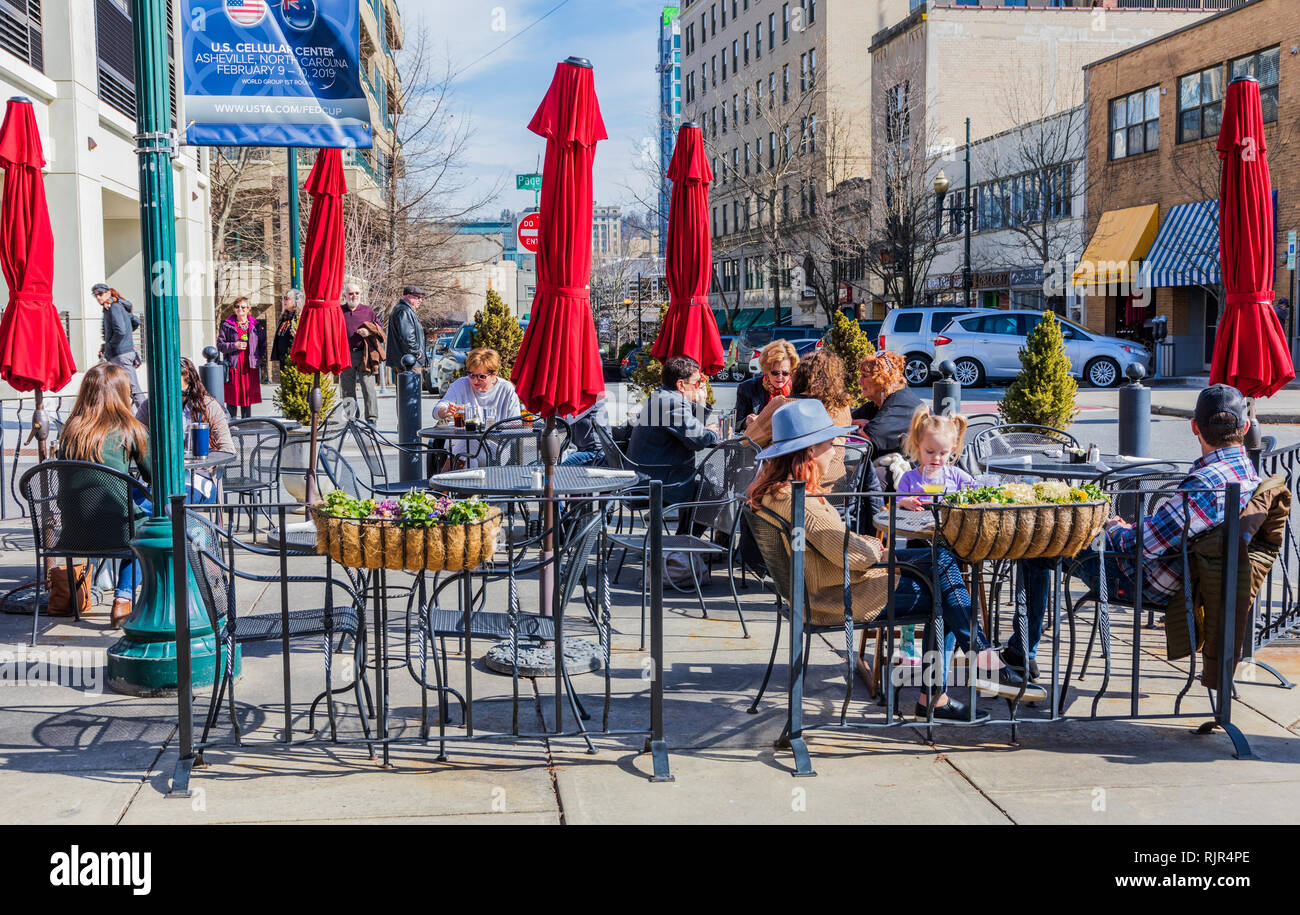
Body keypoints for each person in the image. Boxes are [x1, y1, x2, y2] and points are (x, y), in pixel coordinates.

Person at [747, 399, 1041, 721]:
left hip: (828, 586)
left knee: (941, 559)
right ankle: (951, 684)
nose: (834, 452)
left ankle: (974, 659)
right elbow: (855, 554)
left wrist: (872, 548)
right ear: (809, 452)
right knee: (942, 587)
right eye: (829, 445)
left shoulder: (777, 491)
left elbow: (843, 548)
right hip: (840, 596)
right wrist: (875, 545)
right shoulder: (799, 501)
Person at [1012, 384, 1261, 680]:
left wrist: (1113, 530)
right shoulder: (1248, 475)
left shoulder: (1205, 485)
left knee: (1040, 544)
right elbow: (1164, 534)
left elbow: (1140, 547)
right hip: (1189, 577)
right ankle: (1021, 652)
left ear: (1194, 427)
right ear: (1244, 427)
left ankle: (1021, 654)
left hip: (1146, 580)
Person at [56, 362, 150, 629]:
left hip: (73, 533)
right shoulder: (130, 429)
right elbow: (156, 476)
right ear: (120, 393)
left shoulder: (70, 430)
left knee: (131, 501)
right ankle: (123, 598)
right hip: (117, 532)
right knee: (153, 525)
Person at [894, 407, 978, 668]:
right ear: (918, 446)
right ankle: (907, 641)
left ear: (952, 449)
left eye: (943, 453)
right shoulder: (910, 477)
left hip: (949, 546)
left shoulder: (955, 476)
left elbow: (977, 491)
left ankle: (943, 647)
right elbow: (895, 501)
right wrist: (904, 501)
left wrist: (962, 501)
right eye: (930, 452)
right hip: (917, 544)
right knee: (912, 587)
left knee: (945, 592)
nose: (937, 459)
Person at [135, 357, 232, 504]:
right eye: (166, 391)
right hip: (155, 477)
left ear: (190, 387)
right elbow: (135, 440)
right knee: (129, 503)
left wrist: (201, 462)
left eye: (179, 393)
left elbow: (228, 449)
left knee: (165, 504)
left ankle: (192, 527)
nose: (171, 398)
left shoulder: (208, 406)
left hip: (196, 476)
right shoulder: (150, 406)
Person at [628, 355, 719, 506]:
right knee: (715, 494)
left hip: (648, 475)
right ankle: (686, 531)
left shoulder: (663, 396)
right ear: (681, 385)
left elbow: (690, 431)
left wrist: (701, 403)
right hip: (657, 481)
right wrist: (716, 434)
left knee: (704, 490)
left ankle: (685, 529)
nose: (701, 386)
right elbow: (698, 440)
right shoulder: (673, 403)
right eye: (698, 382)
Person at [432, 347, 522, 467]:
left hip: (497, 448)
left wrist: (488, 424)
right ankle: (460, 480)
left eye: (481, 376)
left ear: (494, 374)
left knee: (466, 445)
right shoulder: (461, 384)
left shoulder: (506, 390)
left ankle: (442, 482)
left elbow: (516, 423)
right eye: (471, 375)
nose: (475, 380)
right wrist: (445, 411)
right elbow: (437, 410)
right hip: (462, 446)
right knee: (466, 447)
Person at [93, 283, 143, 408]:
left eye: (100, 294)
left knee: (133, 389)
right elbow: (135, 322)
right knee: (119, 387)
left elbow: (120, 330)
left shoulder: (114, 307)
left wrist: (110, 345)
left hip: (120, 354)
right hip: (120, 352)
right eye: (96, 295)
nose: (98, 297)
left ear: (108, 293)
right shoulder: (116, 306)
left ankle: (146, 419)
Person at [340, 282, 383, 425]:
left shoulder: (367, 311)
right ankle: (351, 418)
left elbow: (379, 329)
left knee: (368, 386)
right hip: (345, 354)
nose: (354, 296)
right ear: (344, 295)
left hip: (365, 354)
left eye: (357, 293)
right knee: (347, 389)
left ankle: (371, 419)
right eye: (351, 293)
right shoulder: (339, 311)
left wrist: (369, 331)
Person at [217, 297, 265, 419]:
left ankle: (246, 422)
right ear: (234, 309)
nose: (240, 309)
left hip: (249, 365)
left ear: (248, 309)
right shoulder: (227, 325)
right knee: (232, 396)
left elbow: (263, 344)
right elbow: (220, 345)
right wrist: (234, 345)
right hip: (234, 365)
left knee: (246, 397)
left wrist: (258, 359)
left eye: (243, 307)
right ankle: (231, 423)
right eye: (237, 306)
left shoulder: (255, 325)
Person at [735, 340, 798, 432]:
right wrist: (747, 422)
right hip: (759, 441)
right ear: (766, 370)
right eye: (775, 372)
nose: (780, 377)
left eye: (785, 373)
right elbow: (736, 422)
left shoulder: (798, 387)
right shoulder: (748, 387)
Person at [386, 285, 426, 380]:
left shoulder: (402, 309)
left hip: (403, 358)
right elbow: (407, 336)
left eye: (421, 298)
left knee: (403, 390)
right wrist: (416, 351)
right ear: (408, 296)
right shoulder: (404, 311)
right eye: (418, 297)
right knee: (412, 390)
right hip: (408, 361)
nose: (420, 300)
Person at [563, 393, 611, 466]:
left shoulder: (591, 400)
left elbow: (564, 421)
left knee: (562, 467)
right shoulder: (578, 400)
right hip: (581, 451)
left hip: (596, 454)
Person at [270, 289, 301, 373]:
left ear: (295, 301)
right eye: (283, 298)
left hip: (294, 359)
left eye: (286, 298)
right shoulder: (284, 317)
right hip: (283, 358)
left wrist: (297, 336)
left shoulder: (300, 318)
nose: (283, 301)